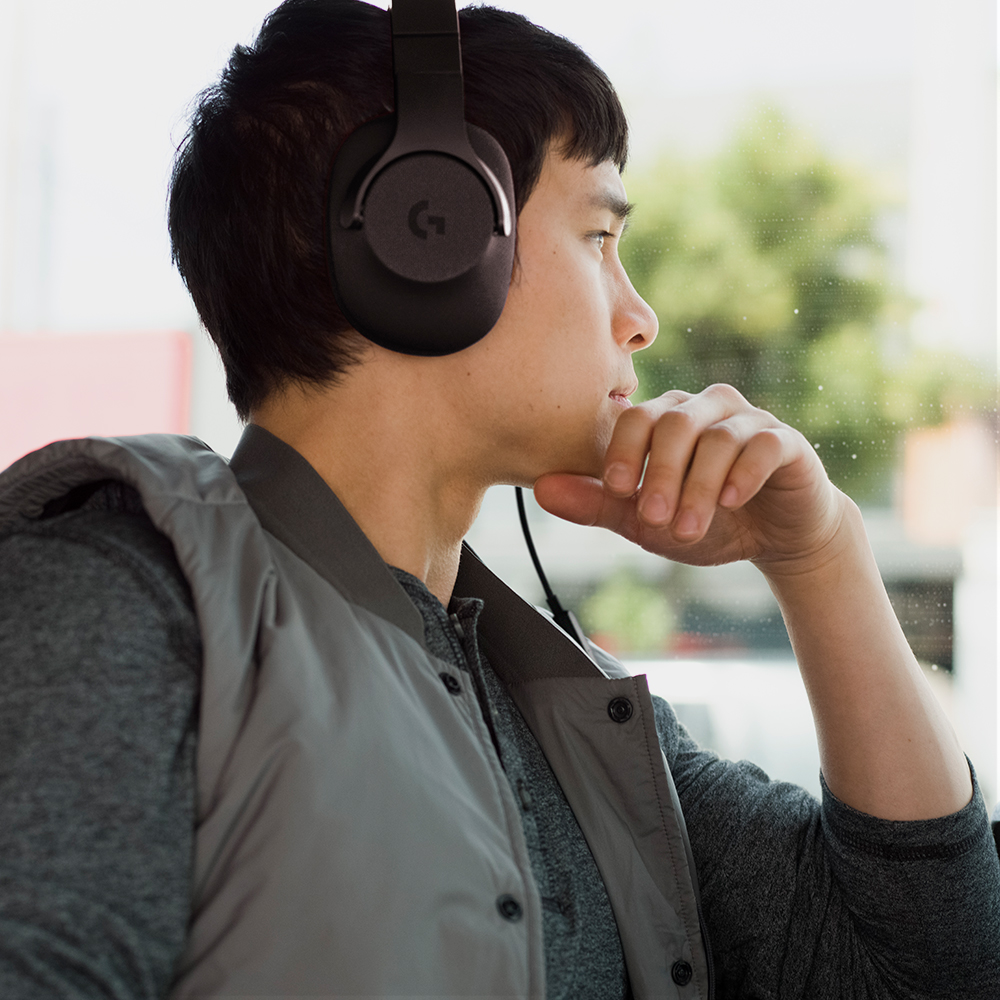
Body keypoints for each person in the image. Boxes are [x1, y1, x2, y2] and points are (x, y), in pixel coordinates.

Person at [0, 1, 997, 997]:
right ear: (426, 234)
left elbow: (925, 969)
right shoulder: (121, 607)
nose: (640, 318)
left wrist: (820, 556)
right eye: (598, 236)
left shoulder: (565, 721)